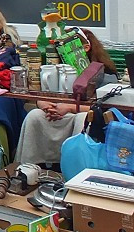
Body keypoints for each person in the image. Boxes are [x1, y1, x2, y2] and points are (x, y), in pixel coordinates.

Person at [14, 29, 125, 165]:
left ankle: (73, 165)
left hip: (81, 114)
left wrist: (69, 108)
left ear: (86, 48)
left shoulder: (104, 74)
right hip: (56, 112)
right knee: (34, 115)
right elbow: (42, 93)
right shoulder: (56, 68)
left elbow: (103, 108)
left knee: (81, 119)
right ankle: (28, 166)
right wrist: (43, 104)